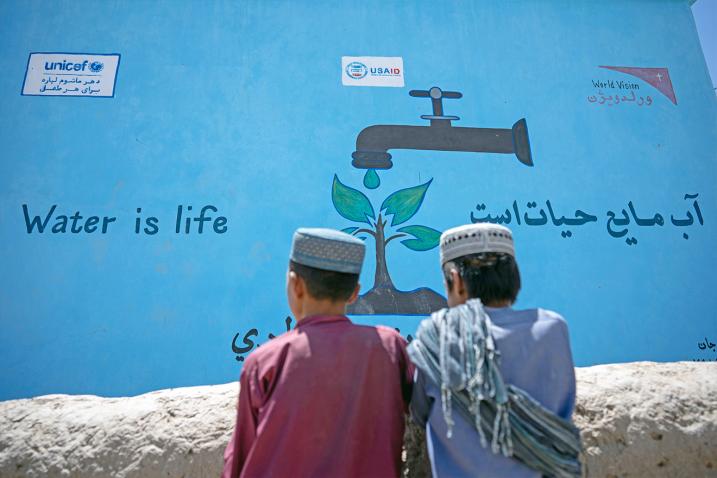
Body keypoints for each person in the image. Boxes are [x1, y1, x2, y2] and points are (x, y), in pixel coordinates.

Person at [222, 228, 413, 478]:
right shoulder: (390, 347)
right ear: (354, 292)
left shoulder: (265, 361)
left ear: (295, 284)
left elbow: (239, 459)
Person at [408, 223, 581, 477]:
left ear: (456, 281)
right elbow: (564, 408)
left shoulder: (439, 335)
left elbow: (419, 412)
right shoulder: (552, 329)